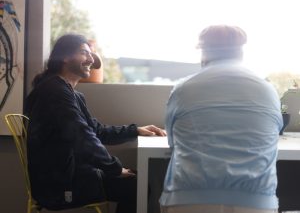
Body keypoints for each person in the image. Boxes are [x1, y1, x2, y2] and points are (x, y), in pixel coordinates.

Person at [24, 33, 166, 213]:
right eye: (84, 53)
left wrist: (135, 130)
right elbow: (82, 136)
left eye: (91, 54)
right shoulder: (55, 92)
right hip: (59, 186)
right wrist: (114, 169)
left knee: (136, 180)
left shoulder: (69, 93)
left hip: (70, 174)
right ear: (65, 57)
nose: (91, 59)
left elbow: (96, 131)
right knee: (136, 186)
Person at [159, 25, 283, 213]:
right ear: (241, 52)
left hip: (189, 200)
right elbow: (273, 136)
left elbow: (173, 144)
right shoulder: (268, 90)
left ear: (203, 51)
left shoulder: (184, 88)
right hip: (256, 203)